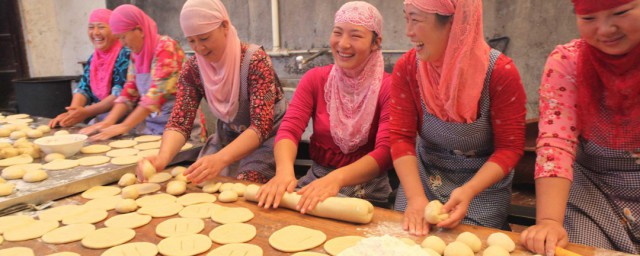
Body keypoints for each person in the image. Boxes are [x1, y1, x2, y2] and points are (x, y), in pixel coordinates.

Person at [391, 0, 526, 235]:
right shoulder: (408, 68)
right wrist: (415, 198)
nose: (408, 32)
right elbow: (400, 138)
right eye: (406, 18)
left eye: (416, 20)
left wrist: (469, 190)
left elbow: (509, 149)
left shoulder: (498, 73)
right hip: (422, 181)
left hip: (481, 187)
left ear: (453, 23)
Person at [520, 0, 640, 254]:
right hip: (595, 194)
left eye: (621, 13)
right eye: (588, 18)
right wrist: (549, 222)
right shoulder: (568, 61)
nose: (606, 29)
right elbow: (557, 142)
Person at [256, 1, 392, 213]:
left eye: (355, 36)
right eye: (338, 33)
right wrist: (284, 172)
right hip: (316, 180)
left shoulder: (388, 88)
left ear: (376, 42)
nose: (343, 44)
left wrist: (337, 179)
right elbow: (289, 130)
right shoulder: (315, 79)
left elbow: (385, 152)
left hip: (368, 191)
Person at [137, 0, 286, 185]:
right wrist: (162, 158)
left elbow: (261, 127)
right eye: (192, 41)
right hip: (228, 137)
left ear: (224, 26)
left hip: (268, 140)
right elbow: (180, 121)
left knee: (244, 185)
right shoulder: (193, 69)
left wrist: (220, 159)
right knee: (198, 181)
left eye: (204, 38)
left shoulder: (254, 61)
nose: (199, 48)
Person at [80, 4, 185, 140]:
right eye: (119, 38)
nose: (122, 43)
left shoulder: (167, 47)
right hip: (153, 128)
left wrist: (124, 126)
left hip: (180, 127)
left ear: (140, 30)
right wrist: (108, 121)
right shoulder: (136, 56)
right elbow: (129, 92)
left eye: (123, 37)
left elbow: (156, 94)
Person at [49, 9, 130, 128]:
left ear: (114, 30)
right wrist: (71, 113)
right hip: (101, 115)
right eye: (91, 27)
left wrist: (86, 112)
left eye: (101, 27)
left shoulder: (126, 54)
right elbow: (84, 88)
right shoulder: (94, 58)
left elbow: (119, 94)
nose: (95, 32)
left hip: (124, 118)